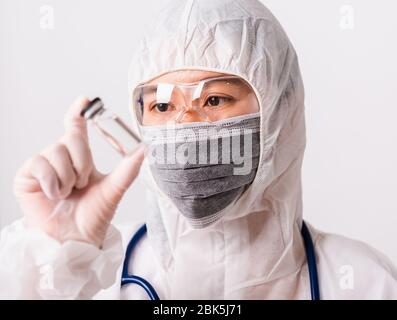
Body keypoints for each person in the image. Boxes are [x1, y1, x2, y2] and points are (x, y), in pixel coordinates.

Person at [0, 0, 396, 300]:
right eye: (161, 106)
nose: (185, 125)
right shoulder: (95, 275)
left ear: (281, 108)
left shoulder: (364, 282)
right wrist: (57, 252)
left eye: (215, 100)